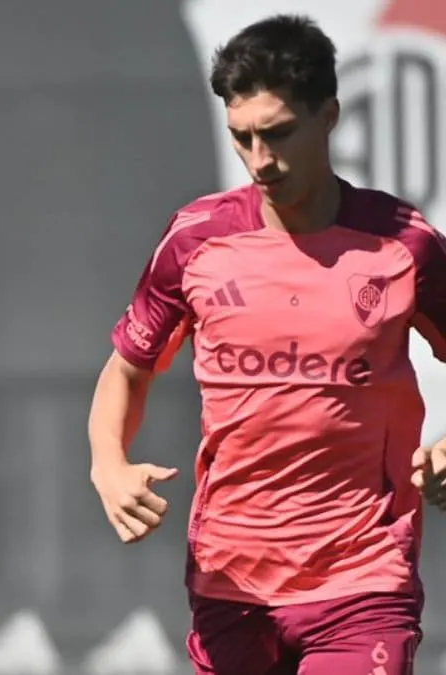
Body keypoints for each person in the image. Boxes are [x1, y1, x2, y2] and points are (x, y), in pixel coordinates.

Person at [88, 14, 446, 675]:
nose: (260, 160)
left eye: (278, 134)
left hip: (363, 582)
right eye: (243, 137)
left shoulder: (405, 243)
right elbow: (127, 369)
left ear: (330, 115)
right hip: (231, 585)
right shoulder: (196, 240)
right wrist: (108, 463)